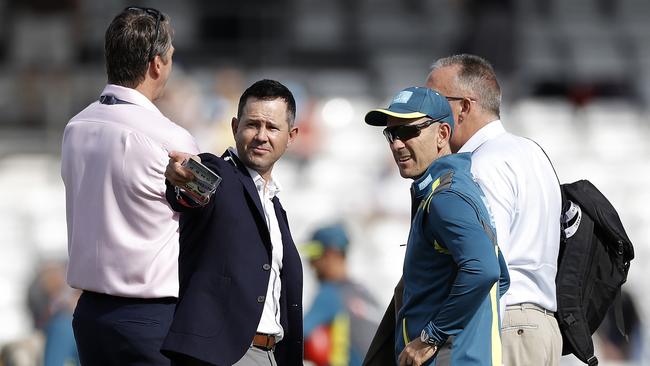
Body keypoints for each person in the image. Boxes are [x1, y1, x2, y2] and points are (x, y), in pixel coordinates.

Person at [61, 7, 199, 365]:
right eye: (169, 57)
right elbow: (203, 221)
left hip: (90, 313)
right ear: (156, 64)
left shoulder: (75, 127)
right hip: (150, 318)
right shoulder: (170, 137)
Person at [425, 54, 562, 365]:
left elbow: (486, 263)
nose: (427, 110)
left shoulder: (479, 165)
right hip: (542, 327)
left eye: (436, 100)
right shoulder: (531, 151)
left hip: (507, 327)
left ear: (464, 106)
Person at [364, 86, 509, 366]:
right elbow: (501, 275)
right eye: (391, 134)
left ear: (442, 134)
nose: (396, 144)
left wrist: (432, 337)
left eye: (408, 132)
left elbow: (485, 271)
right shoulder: (451, 188)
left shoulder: (446, 197)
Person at [161, 79, 303, 366]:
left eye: (272, 127)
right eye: (253, 125)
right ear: (235, 126)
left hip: (271, 353)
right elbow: (193, 190)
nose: (262, 136)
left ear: (291, 135)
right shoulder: (218, 173)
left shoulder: (275, 206)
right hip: (221, 356)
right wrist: (184, 181)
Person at [302, 223, 381, 366]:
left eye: (314, 255)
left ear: (332, 254)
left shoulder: (330, 294)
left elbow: (297, 337)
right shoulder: (364, 293)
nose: (311, 264)